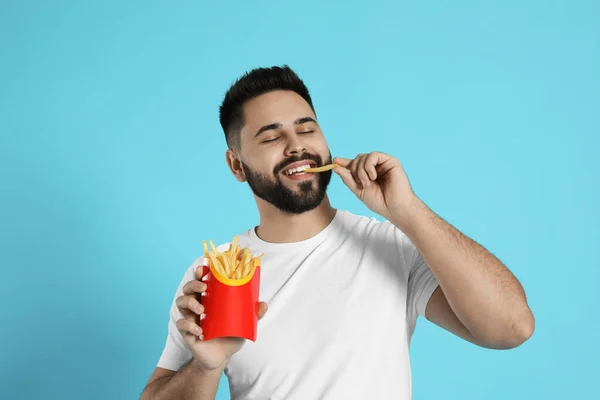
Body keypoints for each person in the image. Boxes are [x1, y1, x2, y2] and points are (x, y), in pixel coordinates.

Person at [140, 65, 535, 400]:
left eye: (307, 129)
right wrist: (207, 367)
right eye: (272, 136)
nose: (297, 146)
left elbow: (512, 328)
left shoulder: (390, 246)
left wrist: (408, 211)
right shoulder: (218, 272)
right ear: (237, 165)